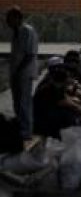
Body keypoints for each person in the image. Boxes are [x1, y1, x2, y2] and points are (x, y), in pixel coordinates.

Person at [33, 59, 81, 139]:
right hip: (40, 121)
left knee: (73, 111)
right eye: (69, 79)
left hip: (44, 116)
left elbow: (70, 100)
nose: (72, 81)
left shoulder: (55, 85)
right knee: (70, 115)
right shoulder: (52, 89)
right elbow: (73, 106)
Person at [7, 7, 38, 141]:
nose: (7, 22)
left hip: (24, 73)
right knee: (17, 102)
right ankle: (19, 127)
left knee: (24, 102)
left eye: (10, 19)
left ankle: (27, 130)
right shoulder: (16, 32)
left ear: (18, 18)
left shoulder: (27, 31)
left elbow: (29, 55)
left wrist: (19, 71)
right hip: (16, 73)